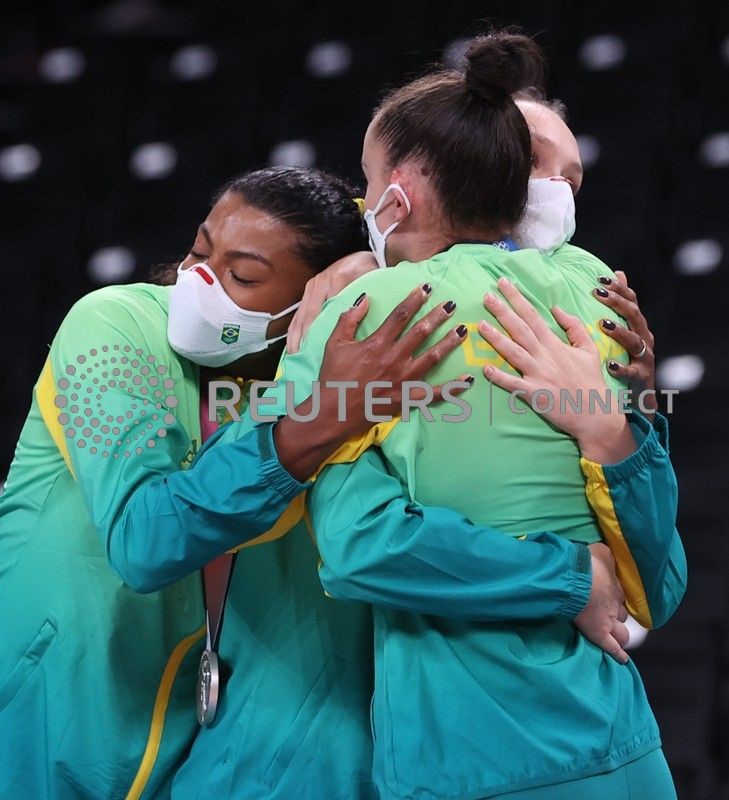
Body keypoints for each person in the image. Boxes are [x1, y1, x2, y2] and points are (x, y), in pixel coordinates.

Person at [245, 34, 684, 799]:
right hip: (623, 749)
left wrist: (612, 434)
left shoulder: (356, 315)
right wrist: (612, 435)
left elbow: (354, 544)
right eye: (538, 163)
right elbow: (659, 584)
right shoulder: (596, 290)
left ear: (401, 189)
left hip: (469, 762)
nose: (554, 190)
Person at [0, 165, 471, 799]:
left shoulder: (315, 383)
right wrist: (312, 422)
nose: (199, 282)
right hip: (38, 723)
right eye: (200, 252)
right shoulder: (111, 327)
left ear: (309, 301)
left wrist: (369, 271)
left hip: (188, 750)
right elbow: (143, 540)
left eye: (241, 276)